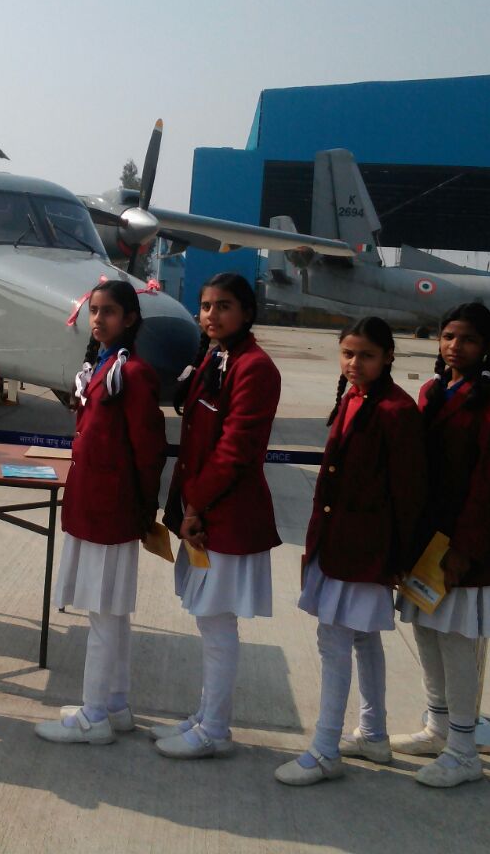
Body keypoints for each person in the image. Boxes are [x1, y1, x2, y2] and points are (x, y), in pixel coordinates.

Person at [277, 316, 426, 786]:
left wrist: (399, 559)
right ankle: (374, 733)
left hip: (366, 548)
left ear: (388, 358)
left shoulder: (396, 411)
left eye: (366, 355)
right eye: (347, 353)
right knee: (362, 638)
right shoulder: (353, 399)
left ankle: (325, 749)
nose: (354, 363)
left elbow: (409, 492)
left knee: (335, 642)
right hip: (340, 540)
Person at [390, 303, 490, 787]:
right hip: (426, 540)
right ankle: (438, 726)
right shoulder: (433, 391)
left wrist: (465, 548)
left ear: (487, 346)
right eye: (448, 336)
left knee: (457, 642)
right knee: (426, 632)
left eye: (467, 339)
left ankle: (464, 749)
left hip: (462, 545)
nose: (455, 346)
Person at [34, 280, 166, 745]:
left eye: (109, 311)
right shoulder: (104, 366)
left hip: (112, 508)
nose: (98, 319)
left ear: (129, 318)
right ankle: (114, 703)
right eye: (94, 310)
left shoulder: (133, 374)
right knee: (111, 612)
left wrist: (144, 507)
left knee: (104, 614)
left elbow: (148, 450)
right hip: (93, 503)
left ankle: (93, 716)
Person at [156, 273, 281, 760]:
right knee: (208, 622)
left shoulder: (255, 367)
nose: (212, 314)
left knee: (217, 623)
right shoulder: (215, 357)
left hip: (225, 515)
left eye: (224, 306)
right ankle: (207, 714)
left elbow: (235, 449)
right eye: (206, 306)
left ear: (247, 312)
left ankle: (215, 729)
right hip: (204, 510)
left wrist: (195, 505)